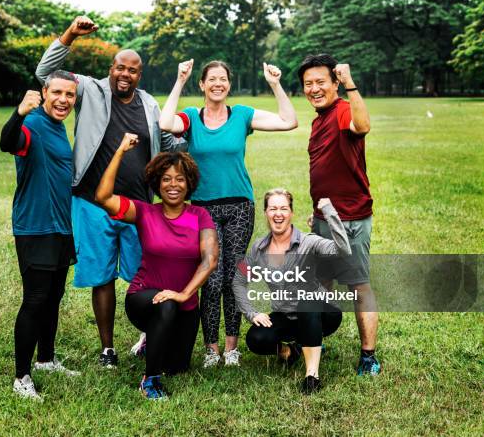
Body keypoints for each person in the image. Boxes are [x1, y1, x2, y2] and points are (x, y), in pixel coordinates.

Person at [35, 16, 181, 368]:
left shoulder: (149, 104)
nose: (124, 75)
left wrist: (195, 137)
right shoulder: (89, 89)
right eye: (119, 68)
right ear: (110, 69)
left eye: (132, 70)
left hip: (136, 206)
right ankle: (107, 350)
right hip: (91, 201)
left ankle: (147, 336)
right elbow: (45, 73)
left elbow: (166, 140)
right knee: (101, 276)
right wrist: (70, 34)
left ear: (138, 75)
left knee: (141, 275)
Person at [158, 59, 298, 367]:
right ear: (203, 85)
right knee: (211, 277)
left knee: (234, 276)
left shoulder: (242, 115)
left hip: (239, 207)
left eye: (223, 79)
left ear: (228, 85)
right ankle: (212, 350)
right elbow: (165, 123)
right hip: (203, 208)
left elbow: (289, 121)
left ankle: (232, 348)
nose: (218, 84)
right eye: (212, 79)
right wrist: (180, 80)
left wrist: (275, 84)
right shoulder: (192, 117)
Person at [94, 133, 218, 399]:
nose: (173, 185)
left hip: (185, 305)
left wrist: (184, 294)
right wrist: (119, 151)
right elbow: (103, 197)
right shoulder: (144, 212)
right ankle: (149, 381)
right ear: (156, 183)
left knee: (178, 367)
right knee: (166, 305)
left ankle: (152, 341)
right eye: (166, 179)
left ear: (189, 183)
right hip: (144, 297)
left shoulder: (200, 215)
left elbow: (210, 260)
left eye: (180, 179)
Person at [0, 70, 80, 401]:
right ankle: (22, 376)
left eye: (70, 95)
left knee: (54, 296)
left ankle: (45, 359)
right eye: (57, 92)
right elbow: (8, 143)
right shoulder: (32, 123)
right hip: (36, 226)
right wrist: (18, 113)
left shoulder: (58, 128)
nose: (63, 100)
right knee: (35, 299)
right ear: (44, 93)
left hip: (61, 226)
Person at [298, 53, 380, 375]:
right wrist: (317, 210)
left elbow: (363, 125)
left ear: (334, 82)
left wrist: (351, 86)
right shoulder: (319, 118)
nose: (314, 89)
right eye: (308, 84)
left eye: (321, 82)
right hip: (324, 218)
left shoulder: (344, 109)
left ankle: (368, 356)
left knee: (358, 285)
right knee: (322, 282)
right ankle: (317, 342)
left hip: (350, 219)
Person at [232, 189, 350, 394]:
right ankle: (290, 350)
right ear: (266, 213)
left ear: (291, 213)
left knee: (307, 301)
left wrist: (330, 213)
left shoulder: (308, 241)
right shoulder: (258, 250)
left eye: (283, 208)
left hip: (322, 313)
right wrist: (251, 313)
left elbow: (343, 250)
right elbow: (239, 281)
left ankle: (312, 376)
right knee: (256, 339)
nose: (278, 214)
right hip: (286, 314)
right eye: (273, 208)